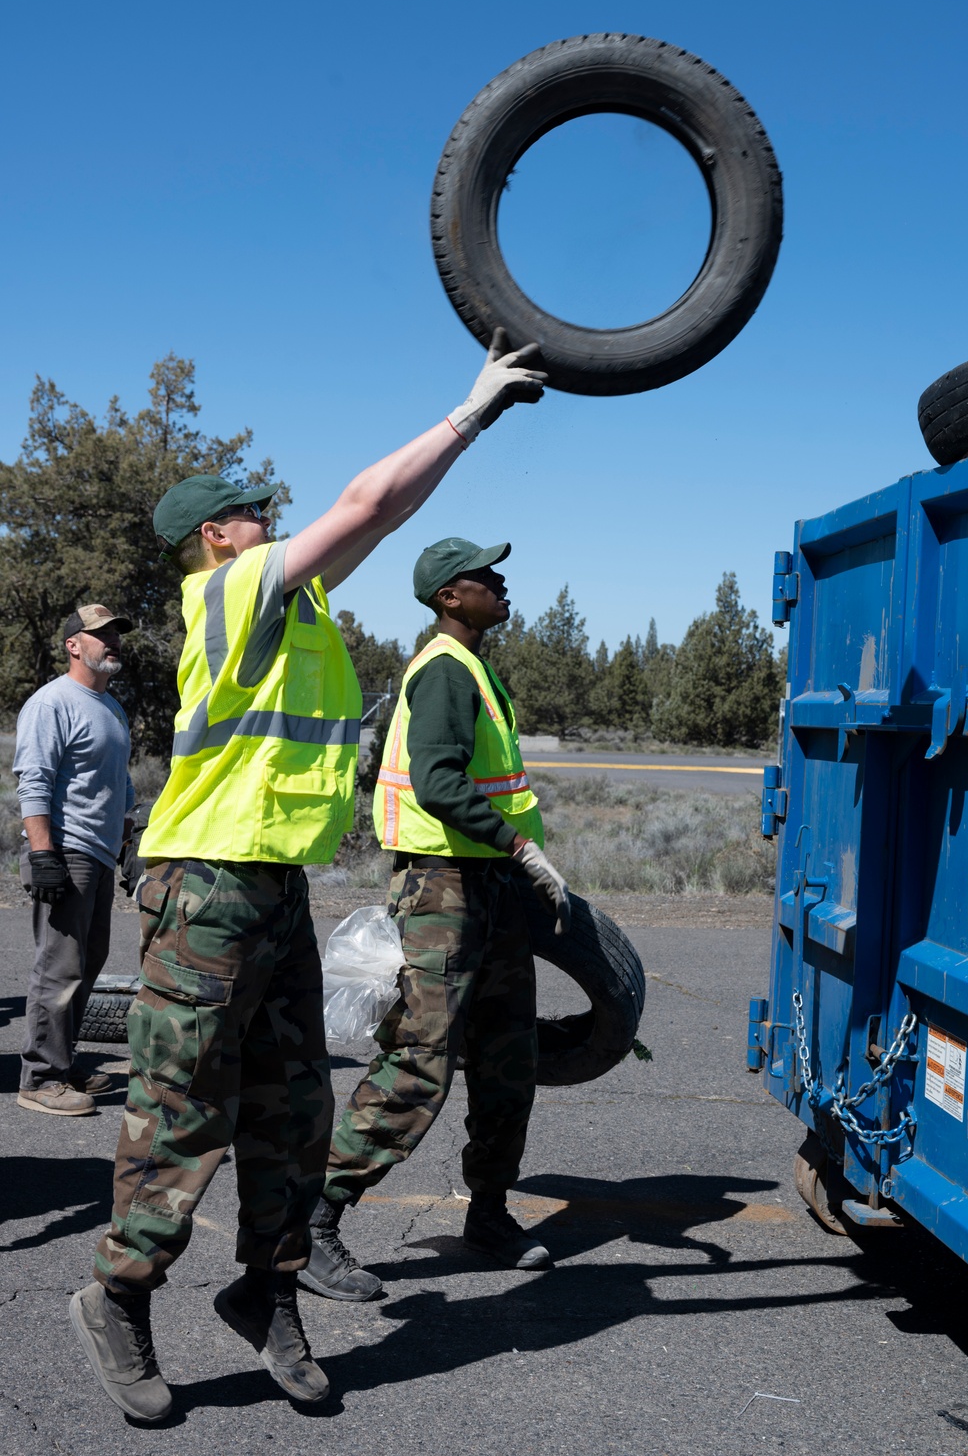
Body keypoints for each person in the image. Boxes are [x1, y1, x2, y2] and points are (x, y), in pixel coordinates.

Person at [69, 331, 546, 1424]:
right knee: (179, 1112)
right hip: (204, 893)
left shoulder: (301, 611)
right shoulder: (231, 594)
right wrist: (471, 409)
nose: (267, 520)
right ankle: (120, 1298)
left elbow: (372, 521)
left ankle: (268, 1290)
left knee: (292, 1113)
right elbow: (372, 502)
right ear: (212, 537)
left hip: (275, 889)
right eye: (246, 510)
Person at [302, 537, 571, 1304]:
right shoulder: (446, 670)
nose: (501, 582)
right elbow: (440, 780)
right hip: (442, 893)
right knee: (418, 1064)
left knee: (506, 1060)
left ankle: (488, 1213)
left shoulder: (478, 668)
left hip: (488, 889)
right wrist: (519, 844)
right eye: (487, 577)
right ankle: (313, 1224)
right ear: (450, 596)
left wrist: (519, 868)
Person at [14, 605, 134, 1117]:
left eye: (116, 635)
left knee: (89, 964)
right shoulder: (52, 703)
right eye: (102, 635)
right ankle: (40, 1078)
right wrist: (43, 854)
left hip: (101, 854)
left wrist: (128, 843)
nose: (113, 642)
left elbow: (120, 785)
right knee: (59, 969)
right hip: (67, 850)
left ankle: (65, 1062)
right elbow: (34, 781)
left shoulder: (111, 707)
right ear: (73, 644)